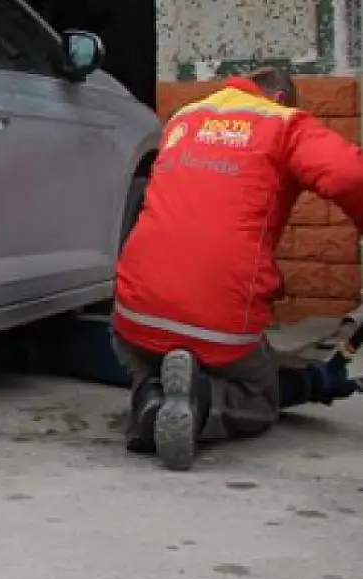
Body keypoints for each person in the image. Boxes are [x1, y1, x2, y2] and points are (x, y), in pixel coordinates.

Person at [113, 66, 363, 471]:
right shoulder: (284, 124)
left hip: (135, 310)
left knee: (140, 350)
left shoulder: (185, 117)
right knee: (259, 398)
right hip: (219, 318)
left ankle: (151, 396)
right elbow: (351, 175)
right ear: (280, 98)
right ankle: (201, 400)